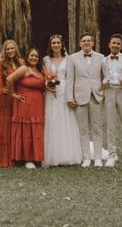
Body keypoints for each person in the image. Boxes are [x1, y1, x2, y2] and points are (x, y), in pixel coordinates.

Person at [66, 32, 104, 167]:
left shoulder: (101, 58)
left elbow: (105, 77)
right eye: (84, 41)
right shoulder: (72, 58)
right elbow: (70, 79)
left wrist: (102, 89)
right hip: (79, 97)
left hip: (96, 96)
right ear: (80, 43)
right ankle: (86, 158)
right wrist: (70, 97)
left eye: (89, 40)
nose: (86, 42)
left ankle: (98, 158)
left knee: (97, 128)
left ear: (93, 43)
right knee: (82, 129)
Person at [43, 34, 82, 167]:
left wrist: (71, 95)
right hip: (51, 92)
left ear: (62, 44)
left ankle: (67, 153)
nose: (56, 45)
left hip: (65, 91)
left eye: (58, 43)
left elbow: (72, 77)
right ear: (50, 45)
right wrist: (47, 86)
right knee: (52, 119)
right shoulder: (45, 60)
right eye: (53, 43)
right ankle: (52, 153)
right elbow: (42, 77)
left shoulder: (68, 59)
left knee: (66, 119)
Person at [0, 40, 24, 167]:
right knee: (4, 127)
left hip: (17, 97)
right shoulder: (1, 63)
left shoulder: (22, 62)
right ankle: (3, 158)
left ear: (16, 49)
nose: (10, 51)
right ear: (4, 51)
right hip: (4, 98)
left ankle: (17, 156)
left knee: (15, 126)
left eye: (12, 48)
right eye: (7, 49)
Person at [8, 48, 46, 169]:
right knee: (26, 129)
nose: (34, 58)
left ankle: (36, 157)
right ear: (27, 57)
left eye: (36, 56)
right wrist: (13, 94)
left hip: (38, 104)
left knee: (36, 130)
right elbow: (9, 79)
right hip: (25, 104)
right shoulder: (24, 68)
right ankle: (27, 159)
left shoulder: (41, 71)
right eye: (32, 56)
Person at [102, 34, 122, 168]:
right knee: (110, 125)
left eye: (118, 44)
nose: (115, 45)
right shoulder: (104, 61)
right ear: (109, 45)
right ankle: (111, 155)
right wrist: (104, 81)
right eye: (113, 43)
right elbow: (102, 77)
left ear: (121, 46)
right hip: (109, 92)